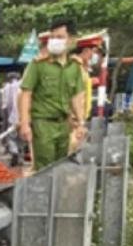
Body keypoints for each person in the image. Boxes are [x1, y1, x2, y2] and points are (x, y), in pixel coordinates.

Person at [18, 18, 86, 168]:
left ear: (71, 40)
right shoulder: (38, 65)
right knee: (44, 169)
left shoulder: (74, 67)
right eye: (52, 37)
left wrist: (81, 122)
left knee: (61, 166)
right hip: (43, 124)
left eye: (60, 37)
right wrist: (24, 123)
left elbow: (77, 97)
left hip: (64, 124)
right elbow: (26, 93)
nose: (55, 41)